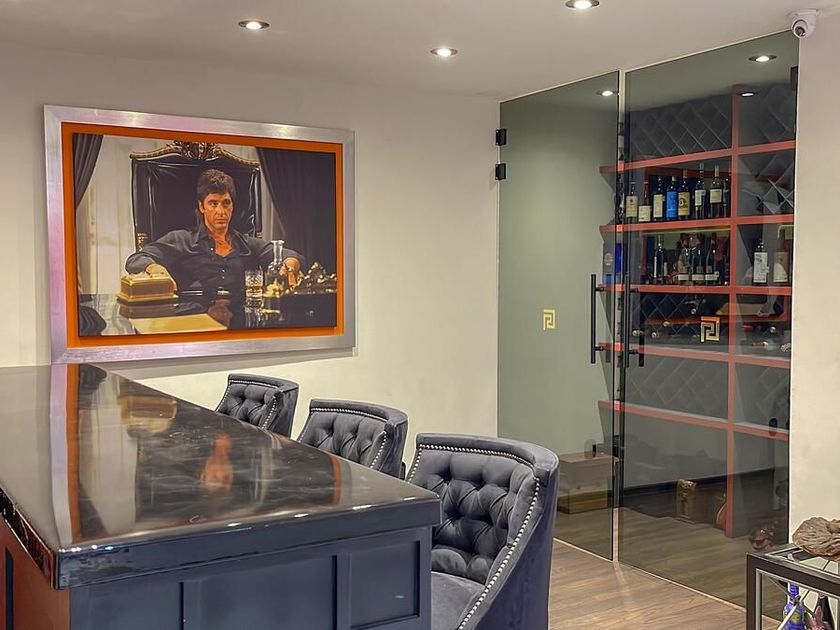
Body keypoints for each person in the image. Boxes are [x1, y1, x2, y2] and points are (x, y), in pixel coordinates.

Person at [124, 169, 303, 296]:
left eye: (226, 203)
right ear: (202, 207)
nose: (221, 211)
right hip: (192, 319)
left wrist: (289, 266)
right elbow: (136, 259)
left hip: (239, 321)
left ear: (232, 206)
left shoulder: (246, 243)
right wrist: (156, 269)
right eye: (213, 203)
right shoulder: (182, 239)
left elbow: (291, 255)